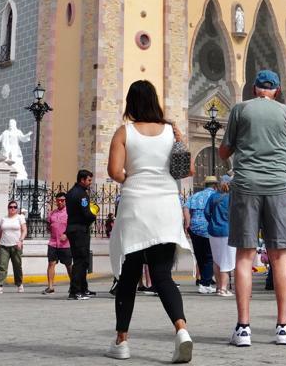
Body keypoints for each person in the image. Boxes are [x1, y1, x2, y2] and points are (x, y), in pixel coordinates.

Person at [104, 80, 193, 362]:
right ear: (155, 101)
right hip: (166, 206)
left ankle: (122, 342)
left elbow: (114, 171)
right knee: (162, 274)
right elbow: (187, 169)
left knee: (129, 276)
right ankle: (182, 331)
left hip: (135, 207)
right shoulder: (171, 131)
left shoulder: (124, 132)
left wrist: (134, 178)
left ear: (131, 103)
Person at [218, 69, 286, 347]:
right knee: (279, 256)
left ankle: (243, 328)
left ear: (255, 88)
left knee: (244, 256)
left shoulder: (239, 110)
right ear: (277, 90)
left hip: (245, 186)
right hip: (279, 188)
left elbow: (224, 150)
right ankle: (283, 327)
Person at [66, 169, 97, 300]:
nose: (90, 183)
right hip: (80, 230)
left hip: (73, 229)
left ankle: (83, 288)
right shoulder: (82, 195)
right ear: (82, 180)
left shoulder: (70, 193)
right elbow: (86, 213)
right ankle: (75, 291)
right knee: (80, 260)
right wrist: (93, 216)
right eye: (89, 180)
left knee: (83, 260)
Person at [186, 176, 218, 294]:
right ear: (215, 185)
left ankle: (203, 281)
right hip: (209, 228)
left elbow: (186, 207)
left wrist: (187, 223)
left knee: (199, 255)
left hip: (194, 228)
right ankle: (205, 283)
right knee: (210, 256)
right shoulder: (215, 195)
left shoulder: (195, 195)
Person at [206, 176, 236, 296]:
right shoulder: (232, 198)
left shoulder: (213, 196)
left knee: (217, 261)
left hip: (213, 231)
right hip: (228, 231)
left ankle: (219, 287)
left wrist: (213, 221)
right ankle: (223, 289)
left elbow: (206, 213)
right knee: (227, 261)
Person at [0, 200, 27, 294]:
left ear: (17, 209)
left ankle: (19, 284)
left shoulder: (20, 217)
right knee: (2, 266)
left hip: (16, 245)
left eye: (14, 207)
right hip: (4, 245)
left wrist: (20, 240)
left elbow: (24, 230)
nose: (12, 209)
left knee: (17, 266)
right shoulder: (4, 218)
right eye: (11, 207)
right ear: (8, 208)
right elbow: (0, 232)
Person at [46, 193, 72, 295]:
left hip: (65, 244)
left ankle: (73, 284)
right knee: (51, 263)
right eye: (58, 200)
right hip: (53, 243)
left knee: (68, 265)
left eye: (62, 200)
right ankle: (50, 286)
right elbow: (48, 225)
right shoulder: (52, 213)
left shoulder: (69, 214)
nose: (60, 202)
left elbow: (72, 227)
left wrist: (66, 234)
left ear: (66, 201)